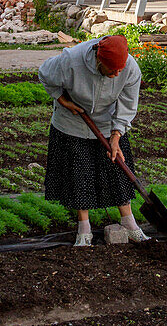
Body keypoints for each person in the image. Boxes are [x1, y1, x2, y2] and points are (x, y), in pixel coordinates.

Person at [38, 34, 147, 248]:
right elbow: (45, 75)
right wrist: (62, 100)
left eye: (120, 70)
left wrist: (116, 135)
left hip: (107, 122)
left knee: (118, 169)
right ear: (99, 60)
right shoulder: (71, 60)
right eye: (112, 70)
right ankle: (84, 230)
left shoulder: (130, 69)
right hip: (72, 121)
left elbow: (127, 105)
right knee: (80, 173)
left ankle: (130, 224)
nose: (117, 75)